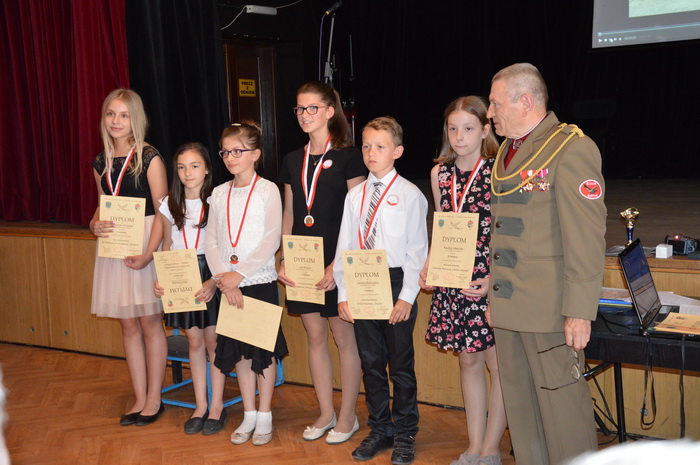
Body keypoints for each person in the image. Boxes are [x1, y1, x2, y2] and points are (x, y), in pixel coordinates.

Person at [485, 63, 606, 465]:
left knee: (563, 416)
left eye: (496, 104)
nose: (490, 113)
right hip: (511, 308)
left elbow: (585, 238)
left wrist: (579, 311)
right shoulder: (508, 151)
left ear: (525, 101)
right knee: (523, 415)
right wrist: (495, 297)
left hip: (550, 312)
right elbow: (504, 235)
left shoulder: (570, 149)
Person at [334, 116, 429, 465]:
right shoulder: (355, 195)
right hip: (363, 280)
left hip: (395, 282)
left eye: (380, 146)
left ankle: (405, 433)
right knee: (371, 364)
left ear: (397, 151)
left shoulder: (409, 195)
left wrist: (406, 297)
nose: (371, 153)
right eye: (366, 146)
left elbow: (417, 250)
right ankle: (380, 429)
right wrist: (343, 293)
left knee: (400, 365)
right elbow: (345, 245)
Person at [419, 96, 507, 465]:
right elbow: (443, 226)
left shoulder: (498, 172)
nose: (459, 136)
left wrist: (493, 277)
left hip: (489, 279)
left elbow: (508, 233)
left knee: (498, 366)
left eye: (468, 128)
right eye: (453, 128)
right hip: (454, 278)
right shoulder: (439, 174)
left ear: (485, 130)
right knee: (468, 362)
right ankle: (473, 446)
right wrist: (430, 264)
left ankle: (491, 449)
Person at [277, 81, 366, 444]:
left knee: (343, 337)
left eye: (312, 108)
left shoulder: (350, 156)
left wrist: (337, 267)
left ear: (330, 111)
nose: (304, 115)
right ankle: (326, 412)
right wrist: (284, 257)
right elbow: (289, 213)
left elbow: (358, 217)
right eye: (299, 108)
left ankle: (348, 416)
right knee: (315, 336)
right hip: (303, 260)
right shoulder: (291, 160)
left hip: (337, 260)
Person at [204, 121, 287, 446]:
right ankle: (249, 413)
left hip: (258, 280)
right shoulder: (218, 193)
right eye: (225, 152)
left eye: (237, 151)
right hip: (228, 284)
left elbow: (271, 238)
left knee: (262, 351)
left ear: (255, 154)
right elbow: (211, 240)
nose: (230, 157)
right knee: (239, 352)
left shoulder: (268, 190)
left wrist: (240, 275)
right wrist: (224, 279)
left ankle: (265, 415)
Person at [89, 88, 168, 427]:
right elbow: (102, 204)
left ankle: (154, 399)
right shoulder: (100, 162)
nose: (116, 121)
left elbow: (164, 212)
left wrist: (150, 254)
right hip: (115, 247)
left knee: (150, 322)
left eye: (123, 115)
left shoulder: (149, 157)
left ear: (136, 119)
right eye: (111, 114)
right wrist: (94, 223)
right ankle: (138, 396)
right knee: (128, 325)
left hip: (145, 243)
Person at [153, 142, 220, 435]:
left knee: (213, 342)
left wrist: (214, 281)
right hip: (180, 272)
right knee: (194, 341)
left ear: (206, 169)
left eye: (194, 166)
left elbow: (224, 246)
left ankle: (216, 406)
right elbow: (167, 244)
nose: (187, 173)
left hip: (209, 272)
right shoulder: (169, 203)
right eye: (181, 167)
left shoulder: (217, 200)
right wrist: (162, 278)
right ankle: (200, 405)